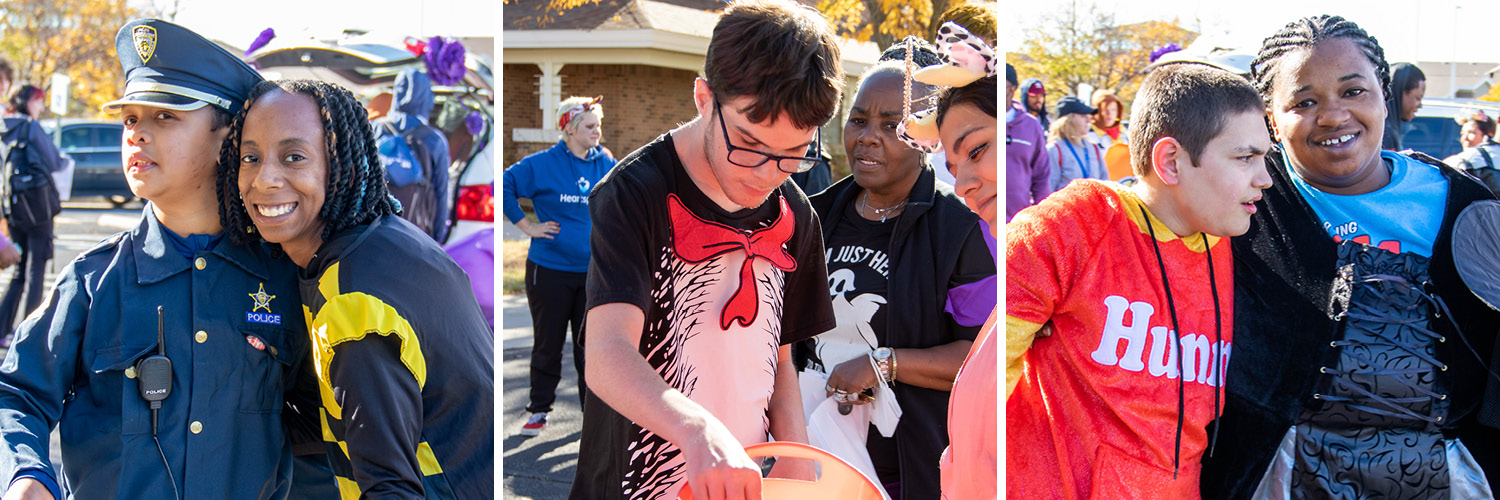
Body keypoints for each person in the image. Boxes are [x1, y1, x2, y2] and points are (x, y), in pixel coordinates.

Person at [0, 19, 310, 500]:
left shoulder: (283, 277)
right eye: (130, 119)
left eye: (165, 116)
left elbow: (324, 428)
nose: (137, 134)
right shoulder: (91, 282)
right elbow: (16, 393)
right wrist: (26, 473)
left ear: (228, 137)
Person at [1200, 15, 1500, 498]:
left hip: (1449, 480)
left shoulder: (1466, 206)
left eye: (1353, 91)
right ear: (1271, 118)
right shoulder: (1241, 201)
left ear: (1384, 92)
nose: (1333, 115)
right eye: (1304, 101)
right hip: (1276, 478)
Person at [571, 0, 839, 497]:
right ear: (703, 98)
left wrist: (797, 455)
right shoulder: (635, 194)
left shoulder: (796, 214)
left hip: (745, 477)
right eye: (748, 144)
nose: (766, 174)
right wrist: (696, 428)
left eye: (793, 154)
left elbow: (781, 358)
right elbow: (607, 354)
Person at [1007, 63, 1273, 498]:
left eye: (1265, 157)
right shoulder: (1074, 226)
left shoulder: (1237, 246)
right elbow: (984, 387)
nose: (1264, 178)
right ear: (1170, 161)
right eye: (1245, 157)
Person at [225, 79, 494, 499]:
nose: (265, 179)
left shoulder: (354, 305)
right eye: (250, 157)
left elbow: (391, 489)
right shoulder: (386, 238)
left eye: (294, 157)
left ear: (345, 167)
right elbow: (347, 413)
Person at [796, 58, 994, 499]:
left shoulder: (962, 228)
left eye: (891, 125)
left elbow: (980, 356)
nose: (868, 137)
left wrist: (882, 363)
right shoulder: (814, 215)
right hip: (815, 454)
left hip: (908, 468)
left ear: (926, 139)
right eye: (859, 120)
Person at [502, 95, 616, 436]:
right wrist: (528, 227)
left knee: (589, 348)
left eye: (598, 126)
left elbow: (625, 197)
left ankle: (591, 415)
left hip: (592, 273)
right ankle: (539, 410)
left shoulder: (605, 163)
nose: (597, 132)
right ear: (568, 128)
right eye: (590, 127)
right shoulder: (542, 164)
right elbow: (505, 186)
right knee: (548, 345)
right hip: (548, 272)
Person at [0, 85, 67, 338]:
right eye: (39, 101)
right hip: (38, 208)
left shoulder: (4, 129)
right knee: (36, 270)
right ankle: (30, 334)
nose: (41, 107)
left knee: (19, 271)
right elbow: (54, 161)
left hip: (13, 207)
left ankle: (2, 329)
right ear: (28, 101)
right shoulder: (31, 127)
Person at [374, 68, 451, 242]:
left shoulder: (376, 129)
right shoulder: (435, 140)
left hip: (375, 231)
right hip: (417, 234)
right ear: (426, 98)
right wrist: (438, 236)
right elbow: (441, 192)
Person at [1007, 63, 1051, 221]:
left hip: (1021, 217)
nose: (1038, 99)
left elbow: (1041, 175)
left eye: (1041, 95)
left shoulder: (1038, 125)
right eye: (1034, 95)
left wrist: (1042, 214)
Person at [1046, 95, 1108, 192]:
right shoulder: (1054, 149)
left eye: (1088, 116)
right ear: (1067, 120)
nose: (1089, 120)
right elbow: (1048, 190)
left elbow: (1105, 186)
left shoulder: (1093, 148)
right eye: (1083, 116)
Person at [1446, 108, 1500, 195]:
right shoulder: (1462, 159)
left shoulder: (1468, 160)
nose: (1465, 138)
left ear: (1488, 135)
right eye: (1463, 133)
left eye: (1471, 132)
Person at [1382, 62, 1426, 151]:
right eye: (1418, 98)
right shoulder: (1385, 132)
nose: (1420, 105)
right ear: (1400, 92)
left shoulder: (1386, 127)